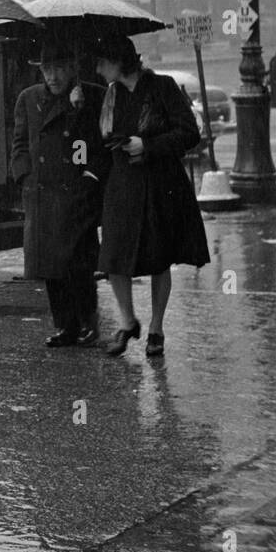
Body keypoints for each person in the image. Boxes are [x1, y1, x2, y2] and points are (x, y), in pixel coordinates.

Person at [94, 34, 209, 359]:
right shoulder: (111, 95)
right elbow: (101, 140)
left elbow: (189, 132)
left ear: (119, 61)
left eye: (102, 62)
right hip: (122, 187)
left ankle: (156, 329)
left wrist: (148, 145)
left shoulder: (163, 87)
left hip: (161, 185)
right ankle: (129, 321)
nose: (99, 69)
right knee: (114, 258)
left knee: (160, 258)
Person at [10, 40, 108, 348]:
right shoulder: (29, 98)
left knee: (78, 264)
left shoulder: (91, 96)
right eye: (47, 70)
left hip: (76, 193)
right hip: (40, 194)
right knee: (50, 266)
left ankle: (88, 324)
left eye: (59, 69)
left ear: (72, 69)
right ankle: (65, 326)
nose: (52, 77)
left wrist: (91, 176)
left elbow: (99, 145)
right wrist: (25, 176)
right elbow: (20, 143)